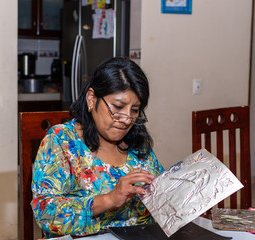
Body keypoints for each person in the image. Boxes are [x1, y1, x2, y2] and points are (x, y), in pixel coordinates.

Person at [31, 57, 164, 237]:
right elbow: (44, 213)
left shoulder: (137, 142)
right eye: (117, 107)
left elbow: (161, 196)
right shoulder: (62, 141)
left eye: (134, 110)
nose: (126, 120)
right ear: (92, 99)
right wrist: (109, 199)